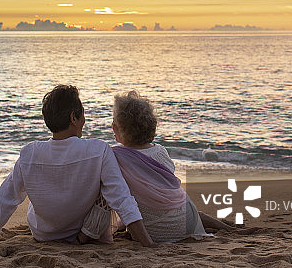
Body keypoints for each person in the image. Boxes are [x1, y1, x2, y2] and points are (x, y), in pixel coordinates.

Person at [0, 85, 155, 247]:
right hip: (81, 232)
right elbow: (121, 197)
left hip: (43, 235)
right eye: (82, 113)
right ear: (74, 117)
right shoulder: (99, 150)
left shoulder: (30, 153)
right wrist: (148, 243)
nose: (84, 118)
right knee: (107, 190)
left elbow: (6, 198)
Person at [79, 91, 226, 244]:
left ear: (120, 129)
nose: (112, 125)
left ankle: (87, 234)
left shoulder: (116, 156)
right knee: (180, 207)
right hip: (187, 220)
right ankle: (228, 229)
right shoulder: (161, 151)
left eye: (115, 122)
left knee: (108, 188)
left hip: (154, 231)